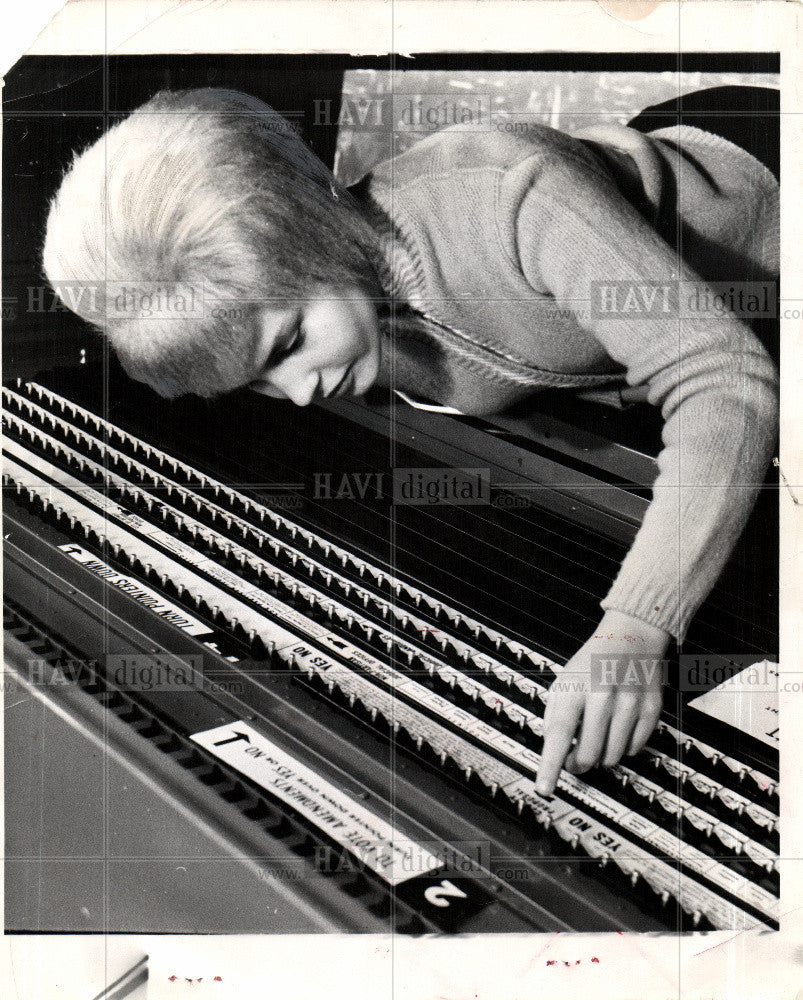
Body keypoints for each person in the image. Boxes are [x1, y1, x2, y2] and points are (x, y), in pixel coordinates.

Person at [42, 85, 779, 796]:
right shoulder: (346, 307)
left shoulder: (514, 191)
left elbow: (719, 379)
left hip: (766, 193)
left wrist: (631, 635)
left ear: (313, 234)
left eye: (287, 343)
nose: (298, 392)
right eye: (257, 381)